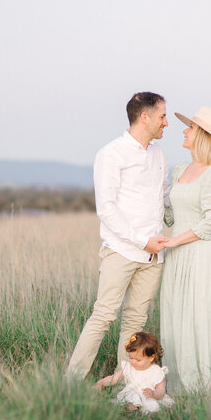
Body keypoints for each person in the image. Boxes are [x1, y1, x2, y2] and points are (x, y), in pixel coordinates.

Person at [66, 92, 169, 380]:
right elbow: (107, 210)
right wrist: (142, 240)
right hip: (121, 252)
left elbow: (164, 197)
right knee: (103, 317)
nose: (166, 122)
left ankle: (125, 383)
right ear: (145, 117)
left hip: (153, 256)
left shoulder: (159, 154)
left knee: (136, 322)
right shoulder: (111, 154)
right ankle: (71, 382)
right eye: (162, 116)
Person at [160, 106, 211, 392]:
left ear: (202, 135)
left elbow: (208, 224)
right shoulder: (180, 169)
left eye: (190, 128)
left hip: (201, 252)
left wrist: (173, 241)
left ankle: (207, 387)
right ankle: (177, 384)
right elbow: (170, 214)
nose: (184, 130)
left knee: (201, 314)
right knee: (176, 313)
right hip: (177, 251)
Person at [95, 331, 174, 413]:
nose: (133, 362)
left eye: (138, 360)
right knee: (130, 396)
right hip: (132, 392)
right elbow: (114, 378)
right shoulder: (129, 367)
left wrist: (153, 393)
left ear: (151, 357)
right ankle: (131, 406)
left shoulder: (157, 372)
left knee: (153, 405)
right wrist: (101, 382)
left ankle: (142, 410)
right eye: (131, 357)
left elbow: (161, 391)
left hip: (148, 395)